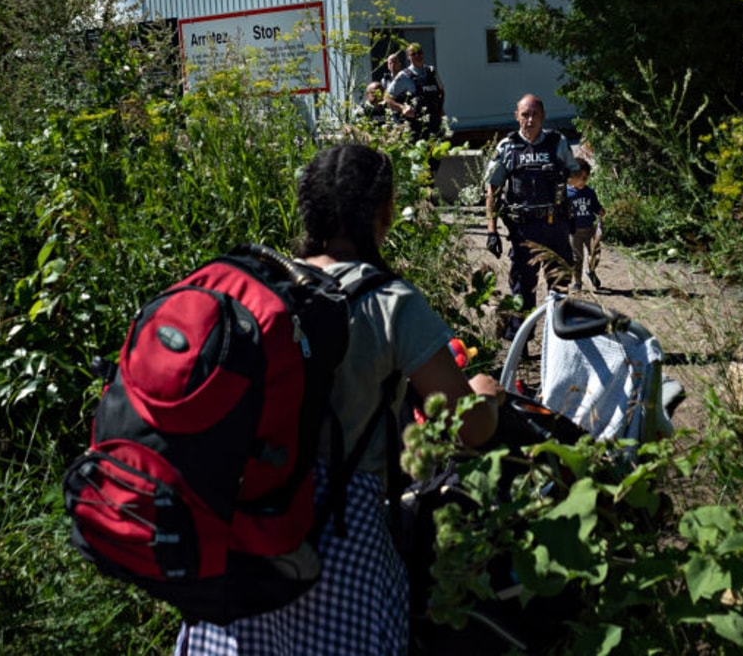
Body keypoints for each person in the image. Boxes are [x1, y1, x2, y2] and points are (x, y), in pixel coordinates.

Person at [176, 144, 502, 656]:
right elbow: (472, 429)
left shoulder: (255, 289)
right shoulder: (390, 302)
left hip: (240, 536)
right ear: (382, 212)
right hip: (341, 543)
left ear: (308, 210)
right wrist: (486, 395)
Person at [483, 94, 580, 338]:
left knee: (559, 286)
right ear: (517, 116)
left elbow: (577, 178)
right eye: (525, 114)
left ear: (543, 116)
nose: (530, 120)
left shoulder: (557, 143)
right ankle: (521, 344)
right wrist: (491, 231)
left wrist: (566, 177)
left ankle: (560, 341)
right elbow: (492, 191)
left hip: (555, 226)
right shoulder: (507, 147)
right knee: (522, 290)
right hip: (524, 230)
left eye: (535, 114)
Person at [385, 43, 446, 139]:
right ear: (408, 57)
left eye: (419, 52)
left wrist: (441, 109)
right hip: (416, 126)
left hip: (435, 122)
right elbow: (387, 97)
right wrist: (402, 108)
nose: (417, 56)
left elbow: (441, 91)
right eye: (413, 54)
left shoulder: (432, 71)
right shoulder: (404, 75)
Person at [566, 158, 605, 292]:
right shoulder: (567, 193)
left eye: (586, 178)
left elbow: (595, 205)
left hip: (590, 229)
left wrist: (599, 210)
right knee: (577, 259)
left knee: (596, 253)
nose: (584, 181)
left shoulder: (589, 192)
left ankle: (591, 271)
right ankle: (577, 282)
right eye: (581, 178)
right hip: (574, 231)